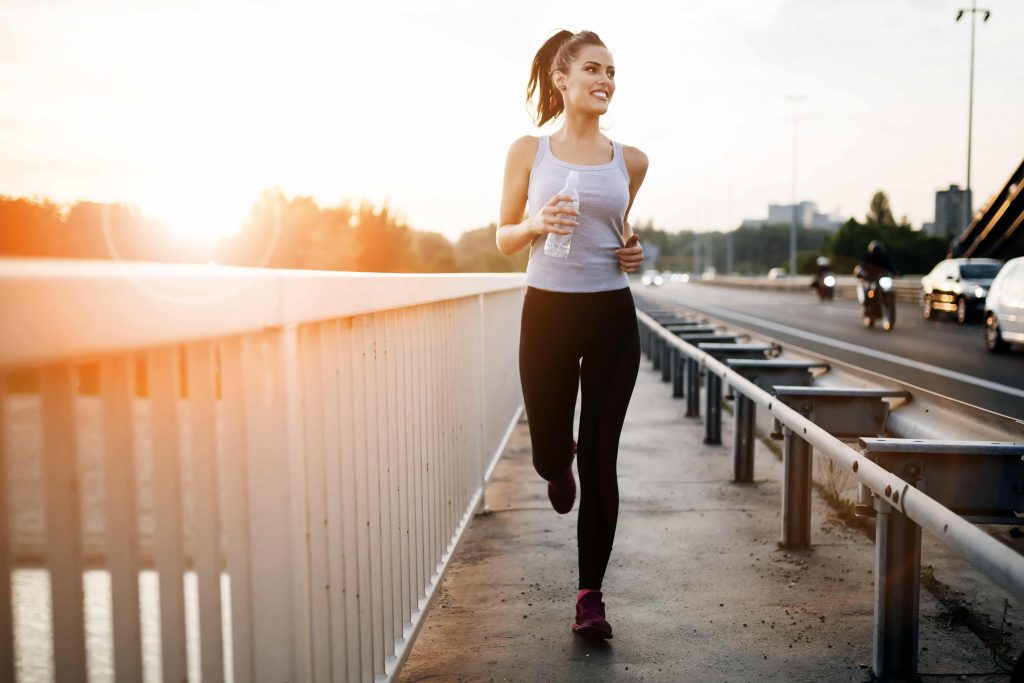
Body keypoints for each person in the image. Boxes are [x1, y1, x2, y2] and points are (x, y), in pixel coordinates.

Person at [495, 29, 647, 640]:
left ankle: (590, 597)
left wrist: (633, 252)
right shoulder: (529, 152)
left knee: (603, 458)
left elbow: (620, 229)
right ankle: (559, 465)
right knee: (549, 451)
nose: (605, 79)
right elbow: (503, 237)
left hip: (612, 317)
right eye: (593, 69)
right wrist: (536, 221)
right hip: (548, 315)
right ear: (562, 79)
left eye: (612, 70)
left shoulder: (630, 160)